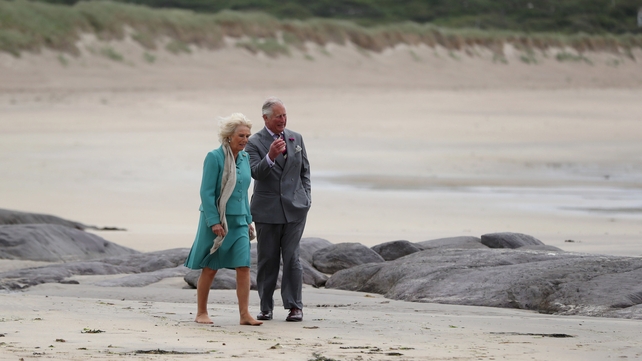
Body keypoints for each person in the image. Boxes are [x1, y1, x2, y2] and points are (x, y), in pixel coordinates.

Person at [184, 113, 262, 326]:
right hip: (217, 221)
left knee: (244, 267)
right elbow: (206, 192)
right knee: (210, 267)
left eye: (248, 135)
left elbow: (244, 192)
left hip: (239, 222)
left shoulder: (245, 158)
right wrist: (214, 221)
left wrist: (248, 219)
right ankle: (201, 312)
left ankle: (245, 315)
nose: (245, 140)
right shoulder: (214, 157)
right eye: (241, 135)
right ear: (229, 136)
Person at [245, 97, 311, 322]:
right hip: (267, 210)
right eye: (278, 116)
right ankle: (265, 307)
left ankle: (294, 306)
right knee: (267, 259)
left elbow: (304, 172)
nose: (283, 120)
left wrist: (306, 199)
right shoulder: (253, 142)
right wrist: (270, 156)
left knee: (292, 258)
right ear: (266, 118)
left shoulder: (296, 138)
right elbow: (255, 172)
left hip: (295, 209)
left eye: (284, 115)